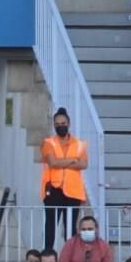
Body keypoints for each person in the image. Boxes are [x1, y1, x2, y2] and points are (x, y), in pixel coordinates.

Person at [40, 107, 88, 252]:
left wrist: (63, 161)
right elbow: (52, 162)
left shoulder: (79, 144)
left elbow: (84, 164)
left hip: (73, 191)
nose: (61, 126)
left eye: (63, 123)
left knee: (71, 226)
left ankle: (70, 255)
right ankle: (48, 253)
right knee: (51, 224)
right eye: (57, 124)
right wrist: (73, 161)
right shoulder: (48, 143)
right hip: (53, 188)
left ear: (69, 123)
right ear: (54, 125)